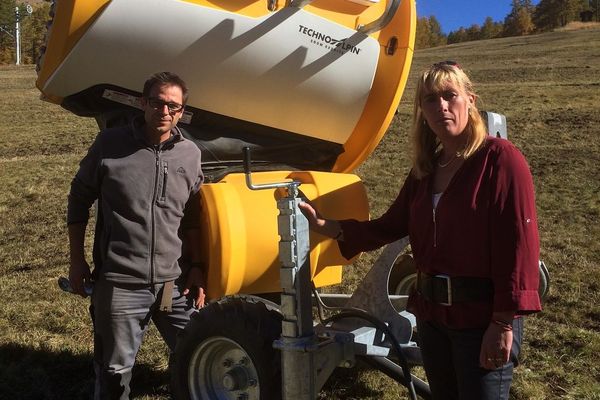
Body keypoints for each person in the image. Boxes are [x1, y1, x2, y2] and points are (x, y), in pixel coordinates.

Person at [299, 61, 541, 400]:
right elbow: (390, 226)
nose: (441, 105)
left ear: (470, 100)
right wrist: (331, 228)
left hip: (481, 319)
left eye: (449, 95)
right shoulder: (425, 172)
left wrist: (502, 323)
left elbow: (519, 245)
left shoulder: (500, 159)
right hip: (432, 318)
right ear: (422, 112)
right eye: (430, 99)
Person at [67, 72, 205, 399]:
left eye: (174, 106)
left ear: (182, 112)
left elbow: (192, 217)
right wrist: (77, 260)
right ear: (143, 103)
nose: (165, 111)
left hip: (174, 283)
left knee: (201, 353)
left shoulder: (190, 154)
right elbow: (79, 198)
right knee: (114, 372)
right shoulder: (110, 145)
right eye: (158, 102)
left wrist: (197, 265)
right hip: (120, 283)